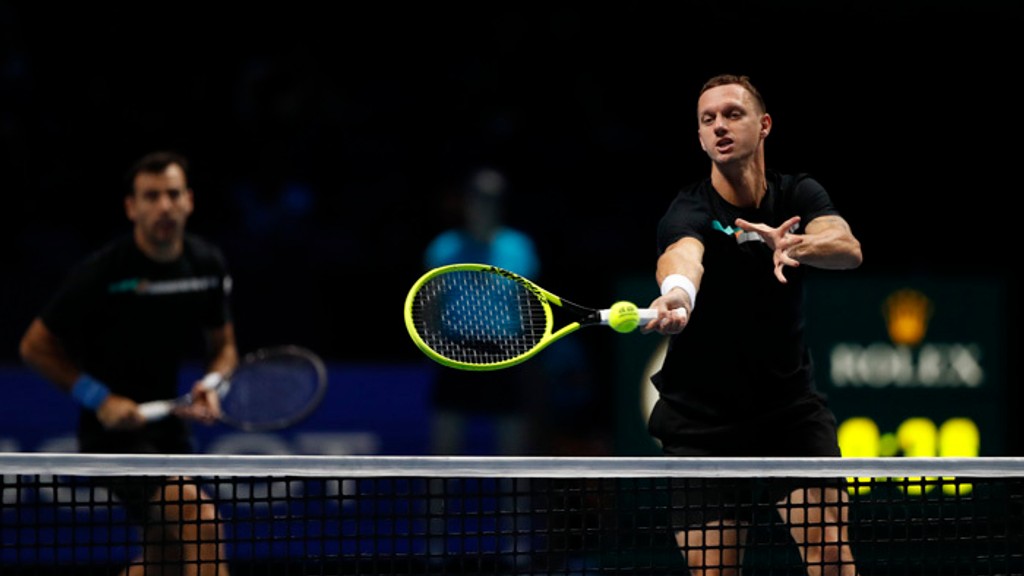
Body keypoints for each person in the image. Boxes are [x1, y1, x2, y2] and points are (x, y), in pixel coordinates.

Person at [641, 74, 863, 576]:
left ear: (764, 125)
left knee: (831, 556)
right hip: (701, 424)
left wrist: (794, 244)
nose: (719, 126)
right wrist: (678, 294)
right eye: (708, 119)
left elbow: (847, 247)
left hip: (789, 413)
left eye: (732, 114)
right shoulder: (690, 208)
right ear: (700, 137)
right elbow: (682, 255)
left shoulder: (798, 194)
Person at [19, 150, 236, 576]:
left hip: (168, 428)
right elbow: (34, 346)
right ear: (131, 207)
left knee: (163, 561)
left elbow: (225, 347)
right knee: (200, 521)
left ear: (189, 201)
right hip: (111, 434)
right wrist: (99, 398)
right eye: (151, 196)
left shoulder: (206, 265)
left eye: (173, 194)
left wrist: (213, 383)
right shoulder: (102, 273)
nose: (164, 206)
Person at [422, 166, 543, 456]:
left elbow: (529, 306)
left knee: (513, 444)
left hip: (507, 351)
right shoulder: (443, 248)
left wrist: (529, 352)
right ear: (466, 202)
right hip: (455, 350)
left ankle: (514, 490)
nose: (483, 206)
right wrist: (434, 346)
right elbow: (429, 306)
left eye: (491, 200)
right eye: (477, 198)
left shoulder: (519, 247)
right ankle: (438, 490)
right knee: (445, 442)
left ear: (500, 204)